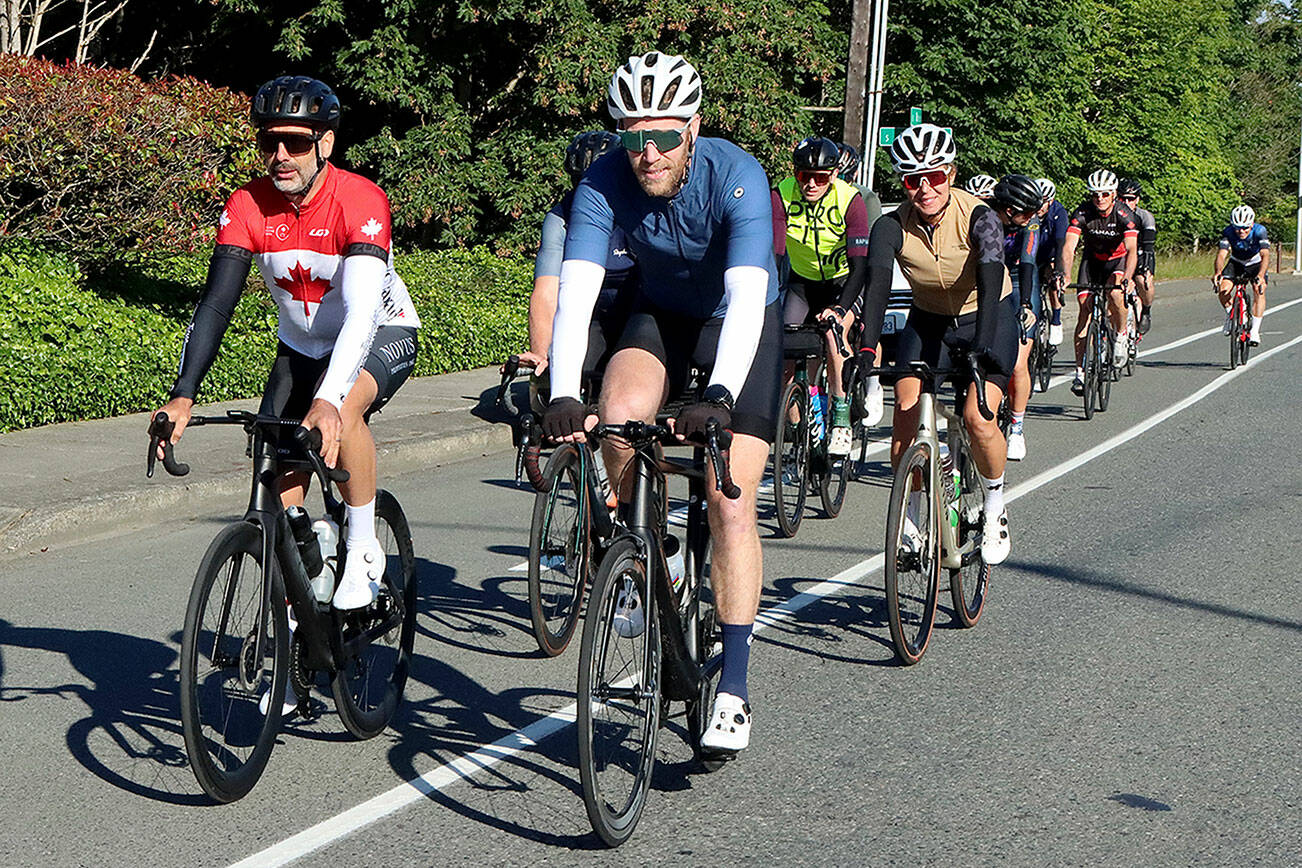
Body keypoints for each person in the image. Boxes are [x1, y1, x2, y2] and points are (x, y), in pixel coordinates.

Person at [151, 76, 421, 711]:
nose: (281, 155)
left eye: (296, 142)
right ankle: (305, 610)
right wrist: (183, 395)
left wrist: (329, 398)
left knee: (343, 410)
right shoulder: (248, 205)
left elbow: (360, 314)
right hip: (300, 349)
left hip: (380, 333)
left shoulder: (360, 199)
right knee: (278, 480)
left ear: (325, 142)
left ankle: (362, 543)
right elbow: (215, 304)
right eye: (270, 141)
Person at [542, 51, 783, 754]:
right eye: (633, 137)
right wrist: (563, 392)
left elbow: (745, 298)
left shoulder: (737, 175)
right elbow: (577, 288)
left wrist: (719, 395)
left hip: (740, 321)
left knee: (729, 498)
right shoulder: (603, 179)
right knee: (618, 419)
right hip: (664, 316)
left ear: (693, 129)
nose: (648, 154)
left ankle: (732, 687)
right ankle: (657, 558)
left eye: (665, 137)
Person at [857, 124, 1017, 565]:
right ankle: (911, 517)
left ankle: (995, 505)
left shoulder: (980, 217)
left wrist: (981, 345)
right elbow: (876, 288)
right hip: (928, 320)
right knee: (906, 414)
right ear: (903, 183)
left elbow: (990, 280)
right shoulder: (891, 225)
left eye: (935, 176)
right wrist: (867, 351)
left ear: (951, 173)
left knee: (978, 417)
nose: (925, 188)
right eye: (913, 180)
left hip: (985, 314)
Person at [521, 130, 636, 411]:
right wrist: (542, 354)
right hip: (591, 314)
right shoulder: (559, 219)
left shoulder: (640, 210)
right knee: (570, 367)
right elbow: (546, 292)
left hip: (638, 308)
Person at [773, 135, 872, 454]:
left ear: (834, 175)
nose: (811, 184)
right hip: (802, 284)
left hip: (843, 281)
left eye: (820, 177)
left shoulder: (850, 200)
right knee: (785, 348)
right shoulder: (782, 194)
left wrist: (840, 309)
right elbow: (775, 256)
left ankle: (841, 418)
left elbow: (860, 267)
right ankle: (803, 431)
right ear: (795, 173)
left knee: (833, 332)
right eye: (804, 176)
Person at [1061, 169, 1138, 395]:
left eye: (1105, 194)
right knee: (1084, 311)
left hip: (1117, 261)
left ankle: (1121, 334)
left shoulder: (1124, 214)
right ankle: (1080, 372)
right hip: (1092, 262)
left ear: (1113, 194)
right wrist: (1065, 274)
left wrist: (1128, 277)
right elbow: (1069, 246)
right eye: (1095, 194)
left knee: (1115, 294)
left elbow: (1132, 250)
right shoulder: (1083, 212)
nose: (1100, 199)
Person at [989, 175, 1045, 461]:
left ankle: (1017, 427)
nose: (1034, 215)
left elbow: (1028, 260)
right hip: (990, 273)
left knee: (1018, 362)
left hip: (1020, 277)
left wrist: (1025, 305)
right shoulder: (985, 216)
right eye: (1029, 211)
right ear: (1010, 210)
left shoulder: (1030, 223)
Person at [836, 141, 886, 424]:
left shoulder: (865, 198)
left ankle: (873, 385)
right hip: (829, 274)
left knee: (865, 327)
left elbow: (874, 246)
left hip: (860, 271)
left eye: (845, 176)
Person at [1213, 205, 1270, 346]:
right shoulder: (1228, 232)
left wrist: (1261, 275)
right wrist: (1218, 272)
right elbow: (1222, 254)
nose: (1241, 231)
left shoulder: (1260, 231)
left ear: (1251, 224)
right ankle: (1231, 315)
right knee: (1223, 289)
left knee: (1259, 289)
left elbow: (1265, 255)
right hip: (1236, 262)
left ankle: (1255, 331)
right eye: (1237, 228)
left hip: (1255, 262)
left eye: (1245, 228)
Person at [1034, 177, 1069, 346]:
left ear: (1051, 200)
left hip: (1051, 253)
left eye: (1043, 202)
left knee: (1054, 280)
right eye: (1037, 201)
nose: (1039, 207)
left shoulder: (1059, 212)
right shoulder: (1027, 210)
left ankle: (1056, 321)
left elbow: (1061, 242)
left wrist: (1059, 270)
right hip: (1032, 253)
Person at [1119, 178, 1156, 334]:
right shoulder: (1114, 215)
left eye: (1131, 199)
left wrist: (1146, 269)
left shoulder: (1145, 217)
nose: (1127, 202)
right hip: (1120, 255)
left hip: (1141, 253)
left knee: (1143, 280)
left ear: (1137, 199)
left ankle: (1146, 311)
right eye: (1123, 199)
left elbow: (1148, 247)